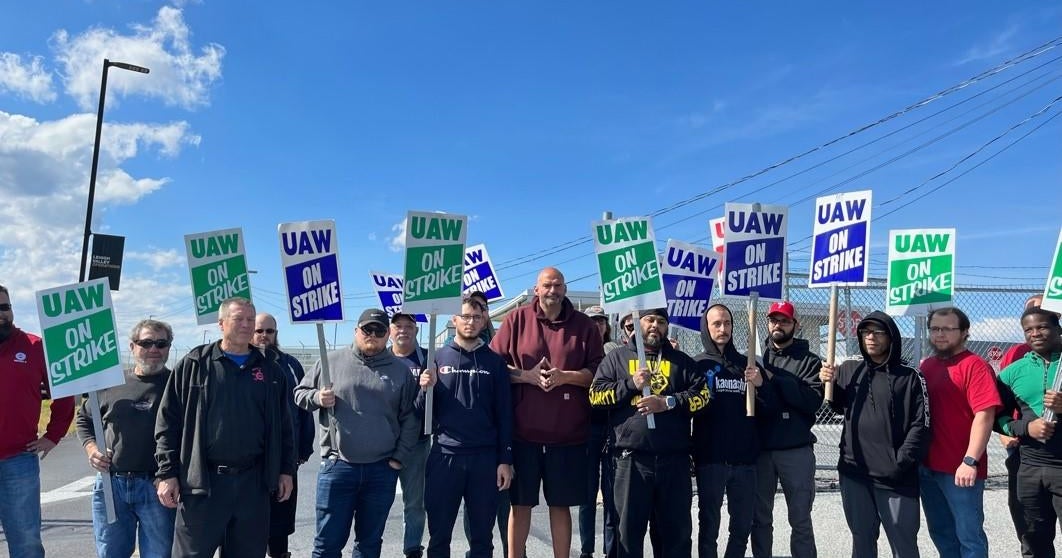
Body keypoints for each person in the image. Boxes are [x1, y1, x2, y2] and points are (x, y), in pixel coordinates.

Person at [155, 297, 295, 557]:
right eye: (238, 319)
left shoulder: (270, 371)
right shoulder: (195, 365)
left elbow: (285, 427)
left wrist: (285, 470)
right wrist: (166, 473)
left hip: (253, 484)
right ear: (221, 323)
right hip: (202, 484)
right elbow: (168, 422)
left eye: (250, 320)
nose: (246, 325)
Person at [491, 267, 605, 558]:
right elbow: (493, 367)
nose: (552, 290)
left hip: (568, 436)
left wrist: (566, 376)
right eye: (546, 285)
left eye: (558, 285)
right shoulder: (516, 320)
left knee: (560, 504)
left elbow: (598, 372)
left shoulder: (585, 326)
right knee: (520, 505)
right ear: (536, 289)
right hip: (522, 434)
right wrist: (525, 376)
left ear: (565, 289)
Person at [294, 308, 420, 558]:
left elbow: (410, 418)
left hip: (381, 470)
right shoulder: (330, 361)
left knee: (369, 544)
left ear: (388, 335)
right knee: (326, 545)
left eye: (379, 330)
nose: (372, 334)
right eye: (367, 329)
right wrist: (317, 397)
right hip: (338, 466)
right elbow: (299, 394)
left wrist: (398, 459)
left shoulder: (400, 371)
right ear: (356, 331)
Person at [590, 308, 709, 557]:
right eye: (650, 320)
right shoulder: (616, 358)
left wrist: (668, 402)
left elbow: (703, 397)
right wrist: (630, 385)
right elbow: (595, 396)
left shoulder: (682, 361)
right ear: (636, 322)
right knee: (627, 536)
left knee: (675, 536)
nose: (655, 325)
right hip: (630, 461)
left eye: (661, 322)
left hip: (674, 462)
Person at [819, 311, 929, 558]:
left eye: (878, 332)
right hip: (854, 474)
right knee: (862, 541)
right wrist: (828, 383)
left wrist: (899, 463)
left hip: (896, 478)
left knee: (904, 546)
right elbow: (838, 406)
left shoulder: (910, 377)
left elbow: (920, 426)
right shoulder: (849, 369)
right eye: (865, 332)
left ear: (891, 337)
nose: (871, 337)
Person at [417, 296, 514, 558]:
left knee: (482, 537)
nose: (470, 322)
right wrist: (425, 389)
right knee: (439, 536)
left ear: (484, 321)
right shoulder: (435, 358)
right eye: (465, 316)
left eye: (477, 317)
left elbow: (505, 414)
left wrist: (505, 460)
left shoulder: (495, 362)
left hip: (484, 459)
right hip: (445, 457)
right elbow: (420, 412)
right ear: (454, 319)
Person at [77, 319, 177, 558]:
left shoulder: (177, 385)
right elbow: (84, 420)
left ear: (169, 347)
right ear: (132, 347)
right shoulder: (107, 383)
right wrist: (92, 449)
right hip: (111, 484)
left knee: (160, 554)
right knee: (110, 553)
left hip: (158, 487)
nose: (154, 349)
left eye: (161, 343)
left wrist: (172, 475)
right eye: (146, 343)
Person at [692, 303, 773, 558]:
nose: (723, 328)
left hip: (745, 461)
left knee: (741, 527)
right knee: (709, 527)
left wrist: (760, 385)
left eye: (727, 323)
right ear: (706, 327)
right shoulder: (697, 365)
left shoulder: (747, 365)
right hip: (711, 459)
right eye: (717, 323)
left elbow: (768, 409)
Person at [0, 284, 75, 558]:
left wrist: (54, 434)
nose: (1, 314)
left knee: (26, 542)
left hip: (18, 460)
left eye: (4, 307)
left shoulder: (35, 346)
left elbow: (65, 394)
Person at [919, 307, 1000, 558]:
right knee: (941, 533)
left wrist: (970, 460)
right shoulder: (927, 366)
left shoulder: (975, 366)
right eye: (934, 329)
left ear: (964, 332)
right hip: (928, 467)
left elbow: (984, 415)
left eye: (948, 329)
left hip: (960, 470)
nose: (940, 334)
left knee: (969, 537)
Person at [751, 302, 823, 558]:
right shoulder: (756, 358)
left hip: (796, 451)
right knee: (759, 519)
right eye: (773, 320)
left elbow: (810, 401)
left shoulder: (810, 361)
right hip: (761, 451)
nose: (777, 325)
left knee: (801, 519)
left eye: (784, 320)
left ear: (795, 324)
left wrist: (772, 380)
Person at [995, 306, 1062, 557]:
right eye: (1028, 330)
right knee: (1034, 542)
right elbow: (993, 418)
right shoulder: (1013, 372)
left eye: (1042, 327)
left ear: (1058, 328)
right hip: (1029, 470)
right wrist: (1026, 428)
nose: (1035, 333)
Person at [253, 313, 316, 558]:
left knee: (279, 524)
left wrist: (302, 450)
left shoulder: (290, 364)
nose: (264, 336)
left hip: (284, 459)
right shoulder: (241, 363)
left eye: (270, 331)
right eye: (260, 331)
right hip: (250, 460)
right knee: (247, 524)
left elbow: (303, 408)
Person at [388, 312, 431, 558]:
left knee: (414, 503)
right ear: (390, 331)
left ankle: (412, 548)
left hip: (417, 444)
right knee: (376, 502)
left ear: (416, 330)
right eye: (398, 326)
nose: (403, 330)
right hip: (383, 443)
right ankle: (370, 545)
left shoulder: (427, 358)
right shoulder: (379, 358)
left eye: (408, 326)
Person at [580, 304, 620, 558]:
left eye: (601, 321)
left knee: (611, 496)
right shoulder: (578, 350)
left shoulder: (615, 350)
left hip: (613, 428)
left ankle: (611, 550)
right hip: (585, 429)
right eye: (593, 321)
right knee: (586, 495)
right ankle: (586, 550)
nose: (597, 325)